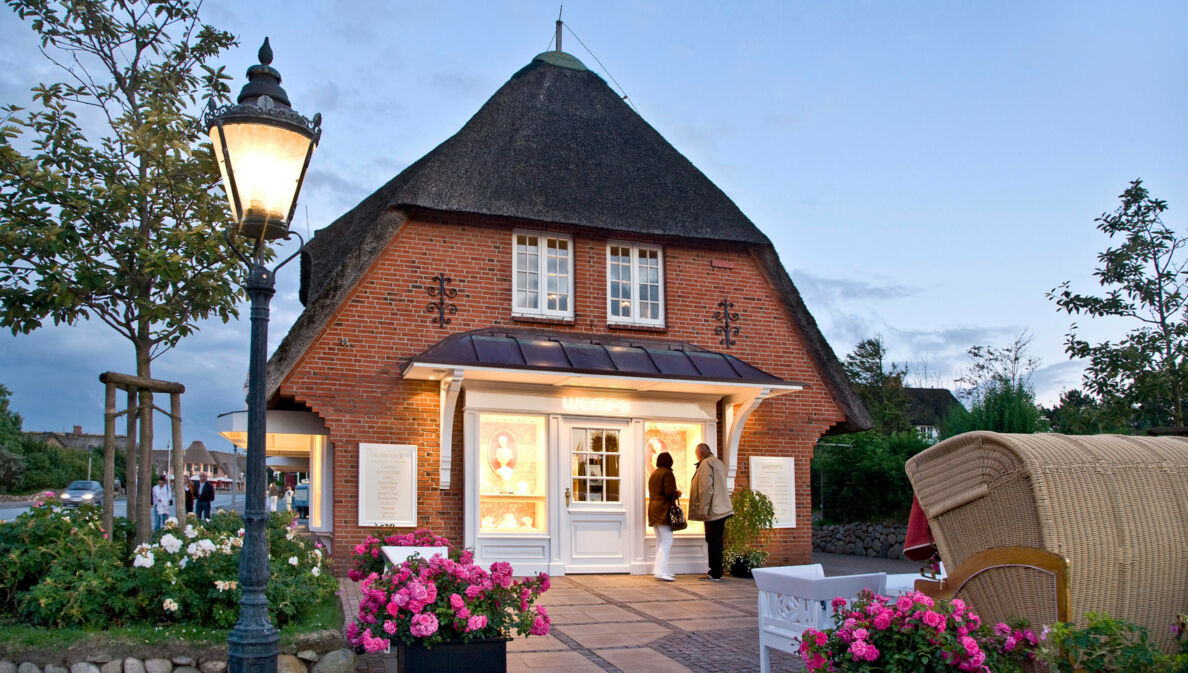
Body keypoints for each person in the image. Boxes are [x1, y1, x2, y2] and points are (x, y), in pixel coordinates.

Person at [688, 442, 733, 581]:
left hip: (714, 510)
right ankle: (717, 570)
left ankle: (715, 572)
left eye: (697, 455)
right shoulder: (718, 462)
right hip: (723, 509)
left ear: (700, 454)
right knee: (717, 541)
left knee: (713, 541)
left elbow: (706, 488)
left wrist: (703, 509)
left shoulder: (706, 464)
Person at [647, 451, 681, 581]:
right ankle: (660, 571)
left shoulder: (654, 474)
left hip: (653, 509)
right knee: (667, 540)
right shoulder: (667, 473)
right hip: (663, 510)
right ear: (669, 462)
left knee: (660, 541)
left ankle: (662, 569)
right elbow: (669, 492)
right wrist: (677, 493)